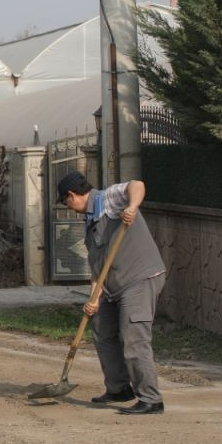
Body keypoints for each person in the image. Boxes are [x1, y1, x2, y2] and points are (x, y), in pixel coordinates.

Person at [57, 171, 167, 415]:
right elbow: (97, 265)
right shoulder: (90, 221)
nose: (68, 206)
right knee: (102, 328)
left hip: (139, 278)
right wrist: (93, 297)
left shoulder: (108, 199)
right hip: (112, 285)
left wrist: (133, 207)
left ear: (72, 195)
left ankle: (151, 398)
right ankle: (118, 389)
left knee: (133, 336)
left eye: (66, 201)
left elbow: (137, 184)